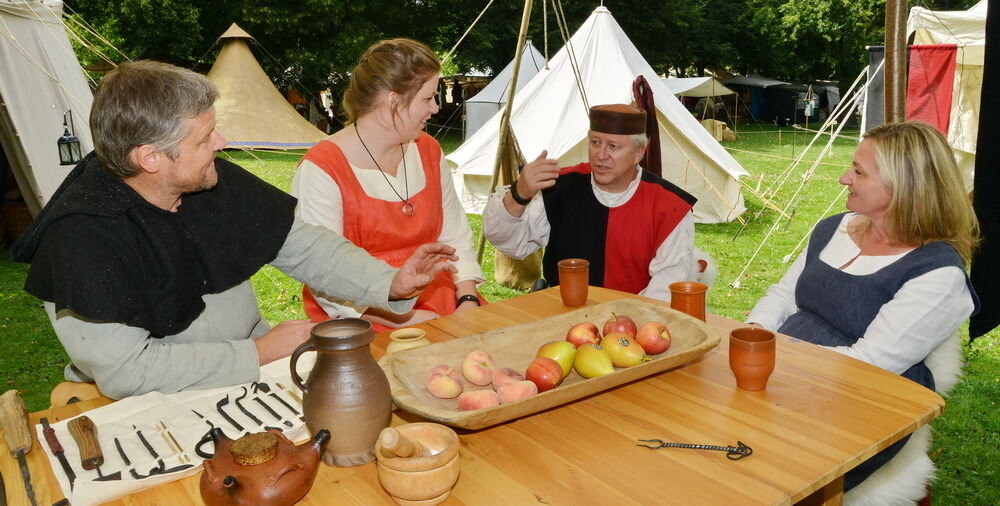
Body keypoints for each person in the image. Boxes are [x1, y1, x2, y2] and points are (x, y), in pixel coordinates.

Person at [11, 61, 457, 399]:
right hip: (148, 401)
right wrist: (259, 352)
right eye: (204, 138)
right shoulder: (81, 236)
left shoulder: (205, 181)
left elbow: (303, 247)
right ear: (150, 158)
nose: (220, 143)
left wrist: (389, 282)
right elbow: (129, 372)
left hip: (247, 374)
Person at [746, 121, 979, 495]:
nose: (843, 178)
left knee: (759, 478)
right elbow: (784, 295)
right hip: (781, 378)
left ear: (903, 185)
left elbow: (867, 365)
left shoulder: (937, 275)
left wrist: (774, 360)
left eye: (858, 171)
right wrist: (753, 337)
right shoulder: (835, 228)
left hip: (857, 406)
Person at [291, 38, 484, 332]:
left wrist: (467, 298)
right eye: (427, 98)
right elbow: (325, 274)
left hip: (444, 304)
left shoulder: (428, 151)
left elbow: (455, 235)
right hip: (362, 320)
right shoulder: (322, 169)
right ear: (393, 101)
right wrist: (406, 318)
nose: (435, 108)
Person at [482, 104, 697, 301]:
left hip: (635, 324)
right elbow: (509, 243)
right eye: (595, 142)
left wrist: (624, 323)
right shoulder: (559, 188)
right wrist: (520, 194)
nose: (601, 155)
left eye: (613, 146)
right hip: (561, 316)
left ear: (638, 152)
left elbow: (665, 288)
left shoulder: (670, 207)